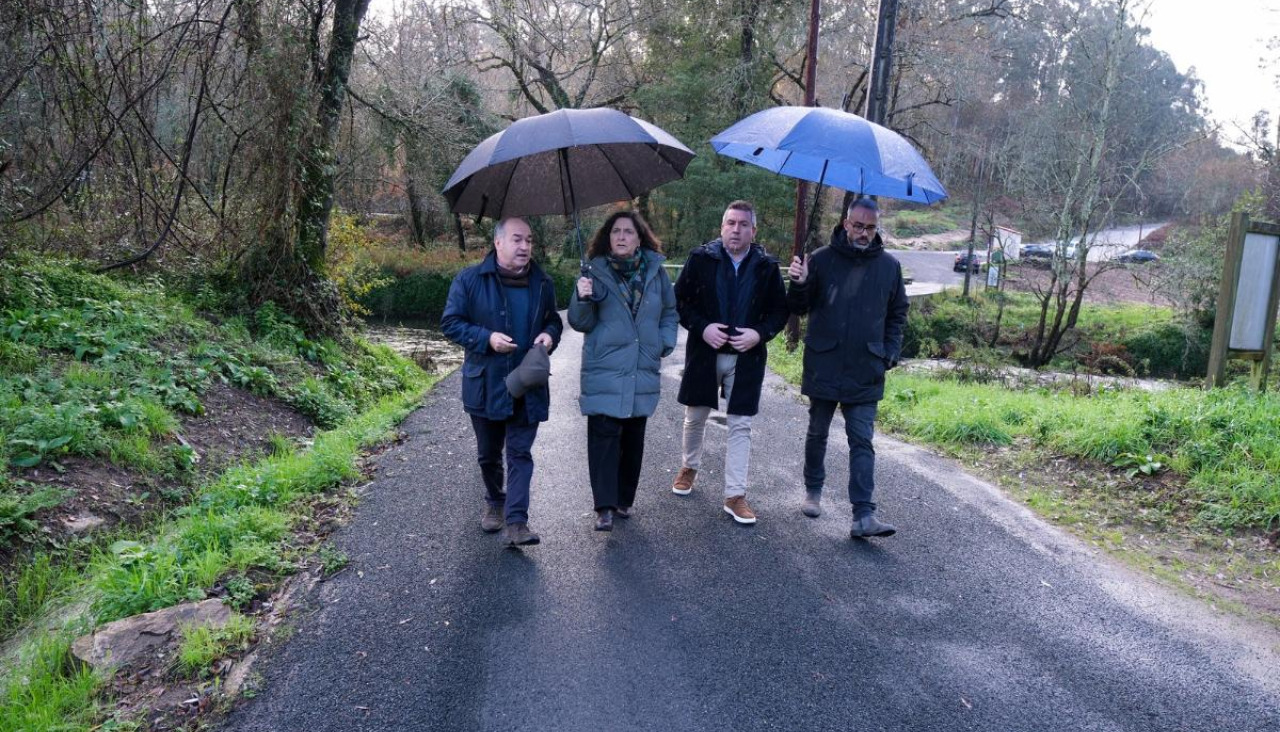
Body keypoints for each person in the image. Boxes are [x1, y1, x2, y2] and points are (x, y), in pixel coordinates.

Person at [786, 197, 909, 538]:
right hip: (824, 360)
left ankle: (863, 515)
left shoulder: (889, 267)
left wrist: (889, 353)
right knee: (818, 431)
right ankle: (813, 491)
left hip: (866, 366)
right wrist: (799, 282)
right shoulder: (820, 259)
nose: (864, 233)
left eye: (870, 227)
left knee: (862, 440)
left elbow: (898, 314)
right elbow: (798, 307)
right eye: (858, 226)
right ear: (845, 224)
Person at [441, 217, 563, 547]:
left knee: (520, 453)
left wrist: (549, 336)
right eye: (517, 239)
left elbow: (553, 320)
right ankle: (495, 500)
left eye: (529, 240)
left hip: (528, 382)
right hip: (486, 384)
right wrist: (487, 338)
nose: (525, 246)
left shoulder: (543, 282)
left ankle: (517, 522)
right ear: (498, 243)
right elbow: (450, 323)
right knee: (488, 455)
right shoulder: (469, 280)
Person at [671, 200, 789, 524]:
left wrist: (759, 334)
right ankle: (689, 467)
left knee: (741, 424)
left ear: (754, 230)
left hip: (747, 358)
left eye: (743, 224)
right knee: (695, 415)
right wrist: (702, 327)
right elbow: (680, 301)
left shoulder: (767, 267)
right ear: (722, 227)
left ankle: (735, 495)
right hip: (705, 352)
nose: (736, 230)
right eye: (731, 223)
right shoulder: (701, 259)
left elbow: (780, 311)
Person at [568, 210, 678, 531]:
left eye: (628, 231)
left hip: (642, 365)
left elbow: (669, 312)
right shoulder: (593, 272)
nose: (621, 236)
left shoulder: (656, 273)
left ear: (639, 238)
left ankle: (623, 500)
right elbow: (580, 322)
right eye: (615, 231)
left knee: (632, 437)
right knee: (603, 436)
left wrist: (663, 342)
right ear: (608, 237)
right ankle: (604, 507)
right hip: (604, 365)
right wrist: (582, 297)